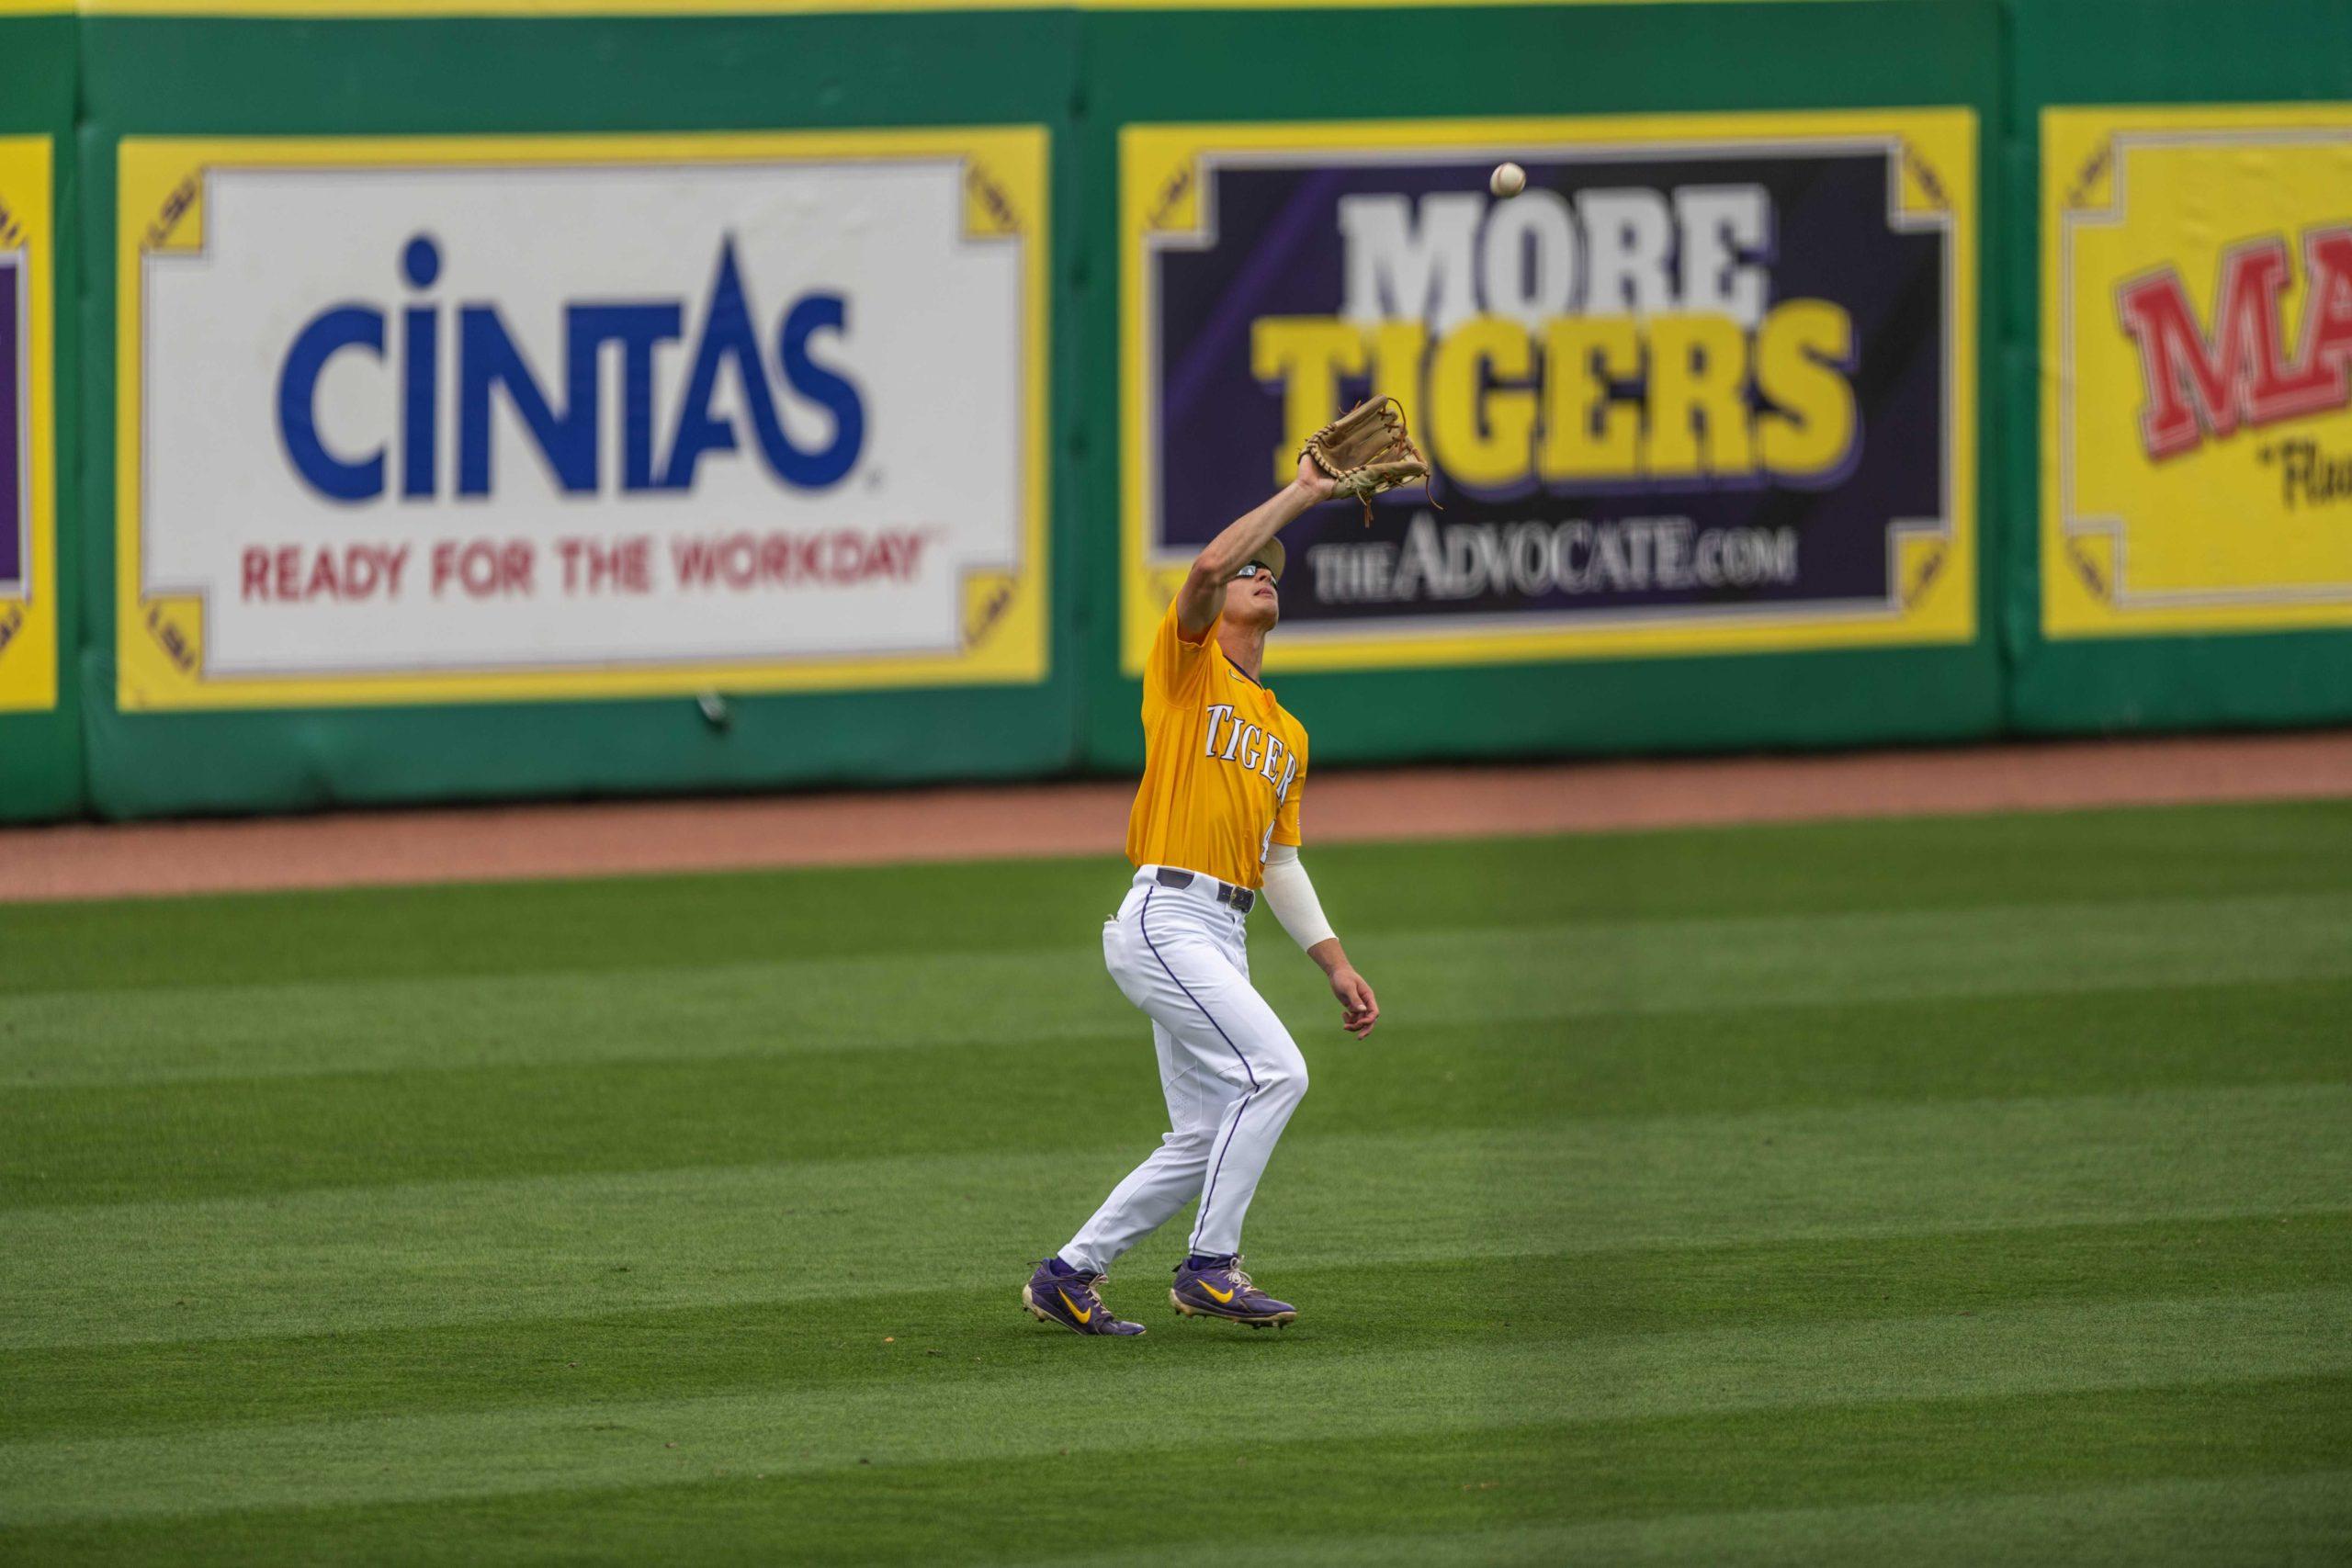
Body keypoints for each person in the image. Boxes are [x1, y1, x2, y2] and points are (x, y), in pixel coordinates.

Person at [1023, 447, 1381, 1336]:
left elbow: (1281, 861)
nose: (1259, 576)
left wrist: (1333, 963)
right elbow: (1210, 564)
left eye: (1272, 571)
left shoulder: (1287, 732)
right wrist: (1304, 492)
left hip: (1224, 931)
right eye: (1250, 570)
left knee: (1201, 1132)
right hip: (1166, 916)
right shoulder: (1186, 673)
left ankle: (1068, 1274)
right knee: (1276, 1072)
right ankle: (1208, 1266)